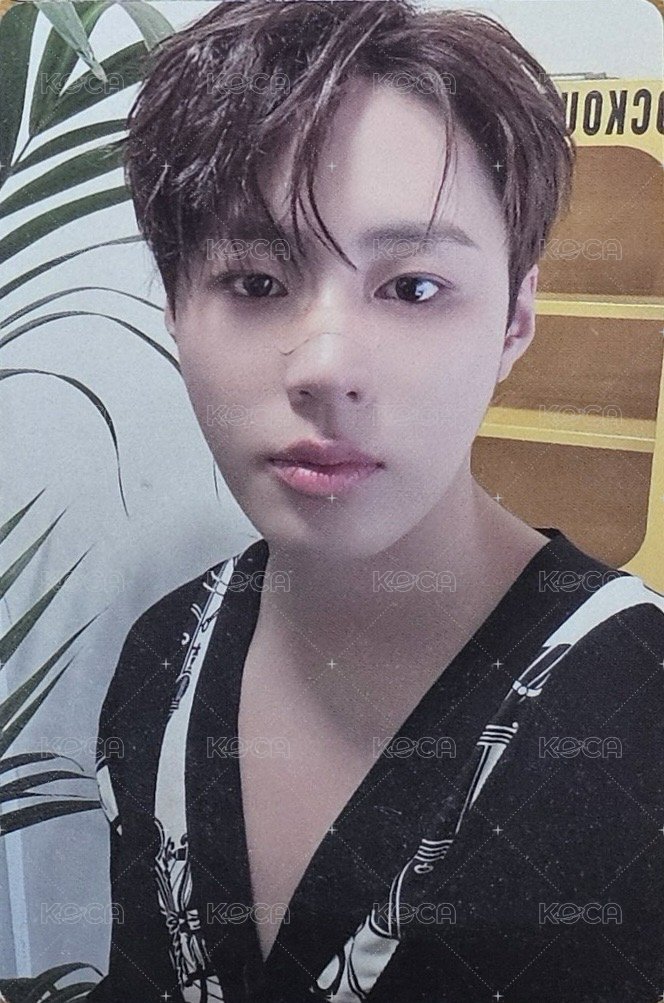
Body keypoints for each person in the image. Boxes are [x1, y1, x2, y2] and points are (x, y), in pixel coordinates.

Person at [87, 1, 664, 1000]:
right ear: (177, 307)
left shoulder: (638, 711)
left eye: (414, 288)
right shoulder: (160, 662)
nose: (326, 367)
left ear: (515, 319)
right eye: (255, 281)